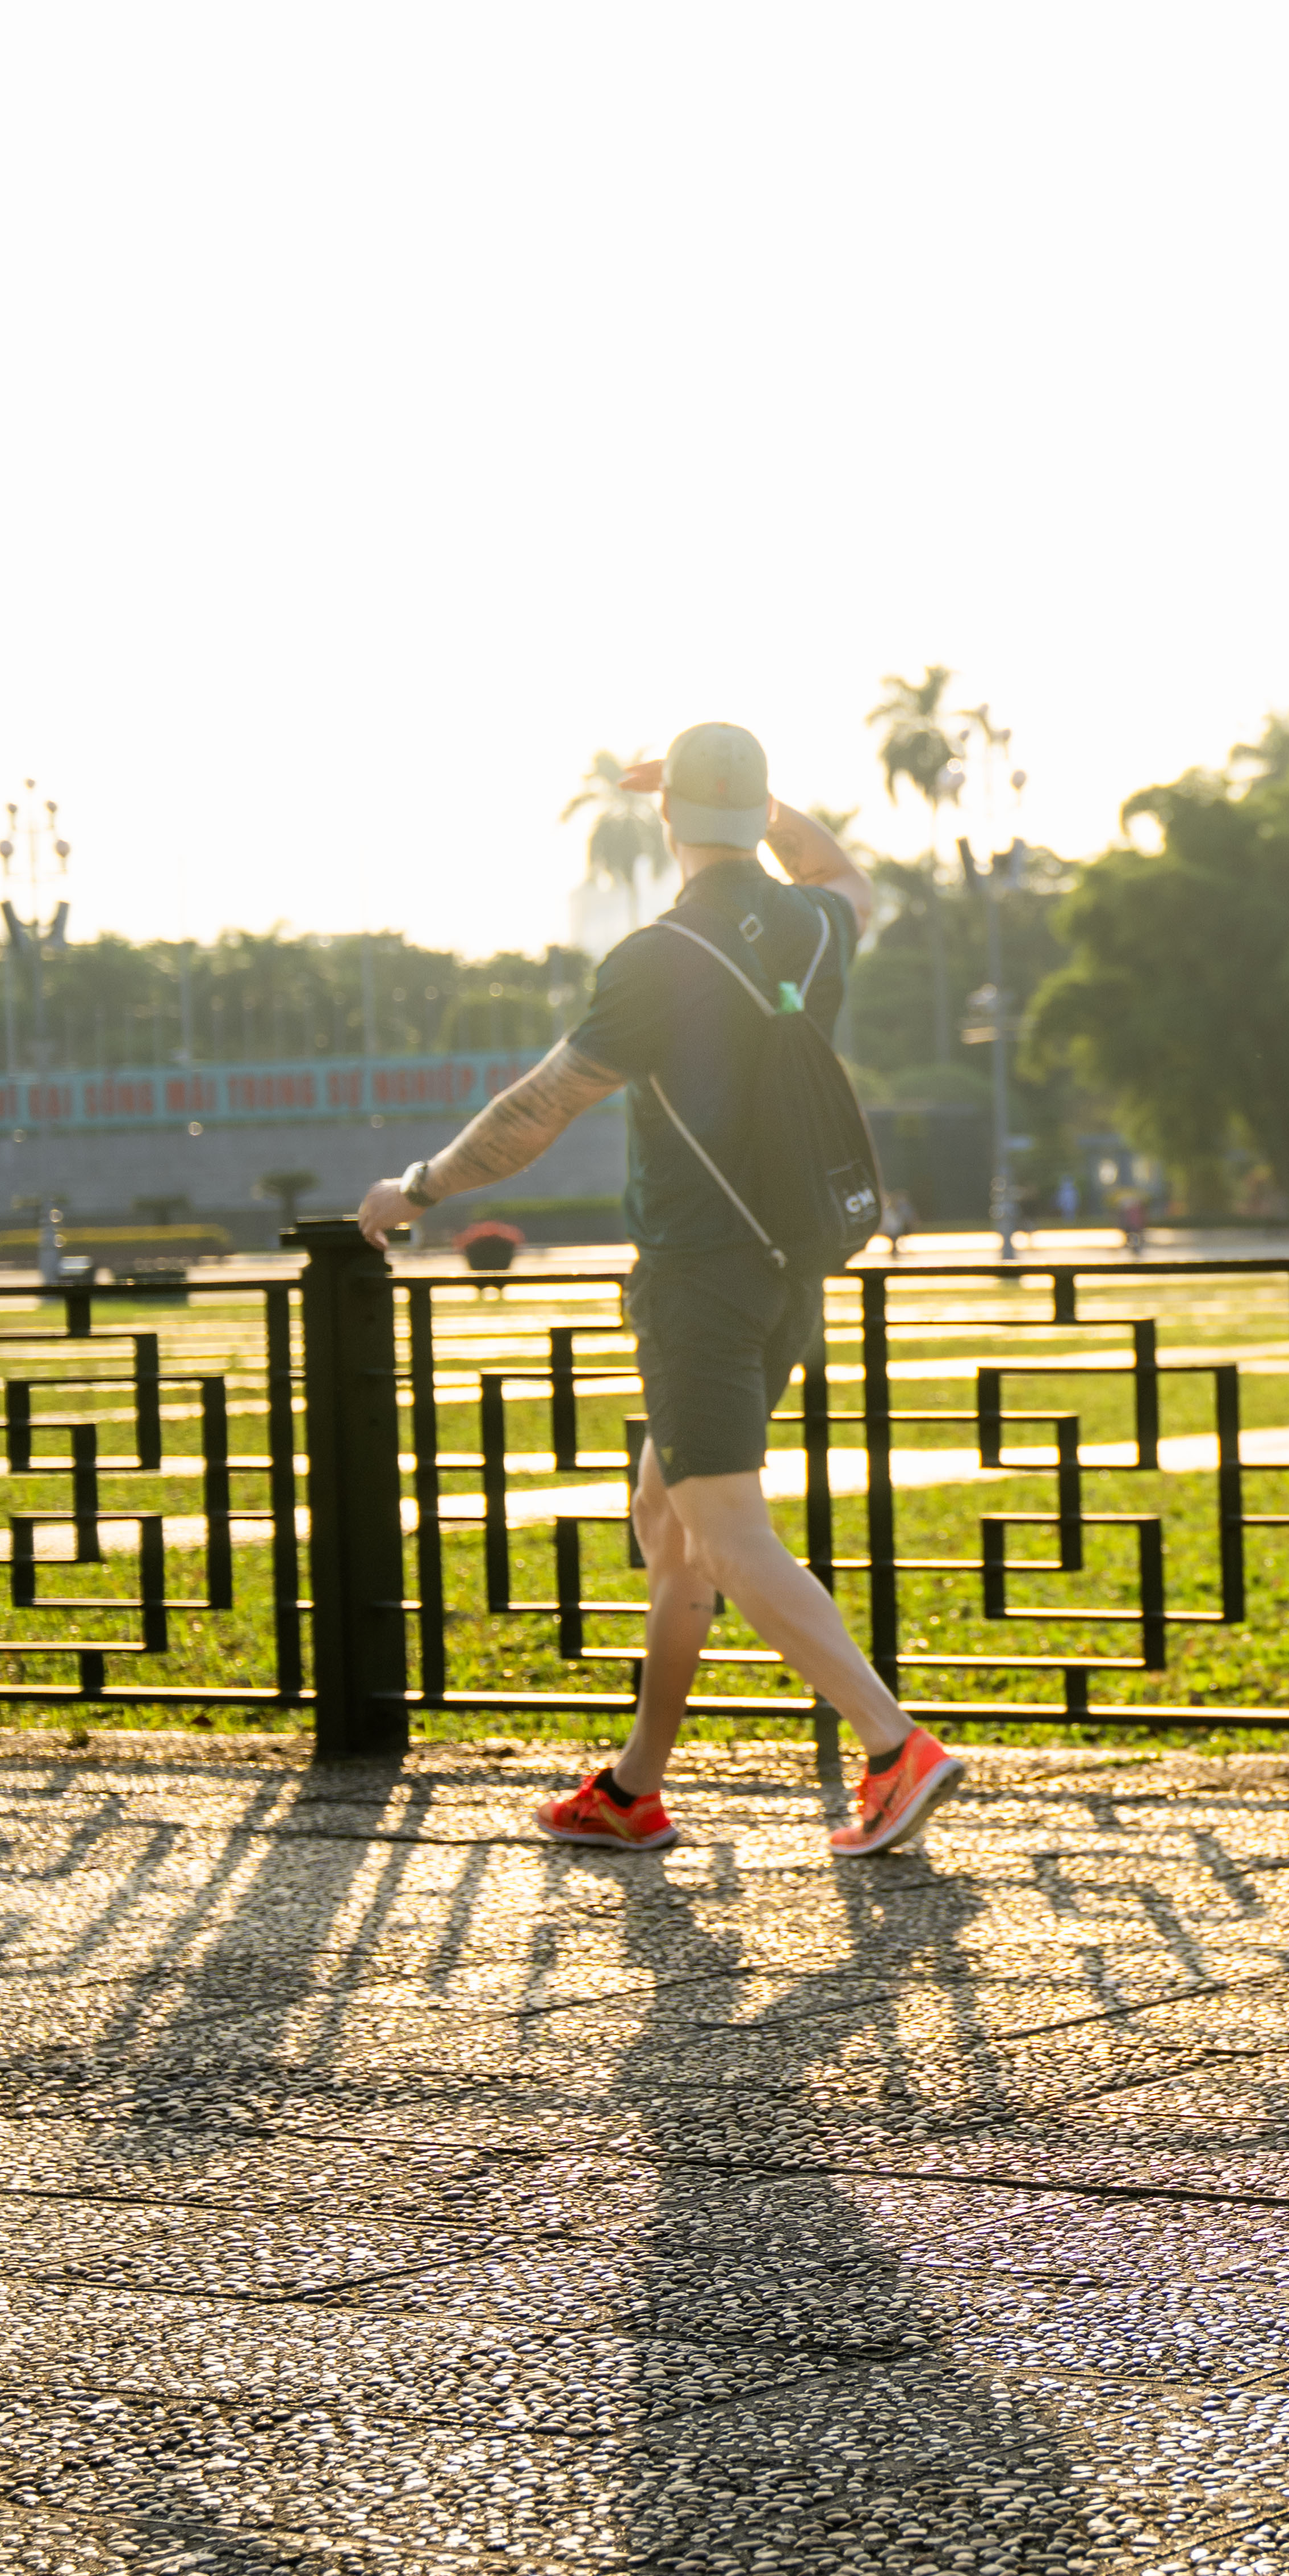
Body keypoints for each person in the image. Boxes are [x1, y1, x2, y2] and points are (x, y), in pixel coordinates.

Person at [356, 721, 962, 1861]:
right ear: (760, 812)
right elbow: (844, 872)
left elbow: (538, 1108)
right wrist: (763, 807)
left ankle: (895, 1749)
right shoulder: (815, 924)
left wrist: (419, 1185)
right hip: (788, 1269)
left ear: (668, 818)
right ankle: (634, 1788)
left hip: (699, 1275)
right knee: (672, 1525)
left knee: (725, 1531)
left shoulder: (657, 958)